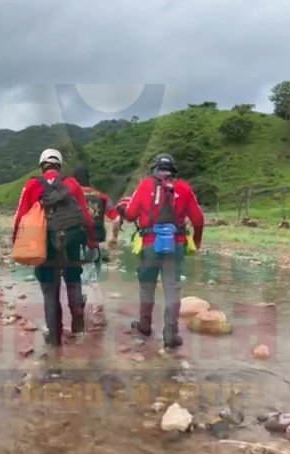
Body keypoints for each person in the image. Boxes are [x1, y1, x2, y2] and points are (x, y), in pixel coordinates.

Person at [117, 153, 204, 350]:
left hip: (149, 243)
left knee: (147, 285)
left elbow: (130, 215)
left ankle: (145, 325)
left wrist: (125, 210)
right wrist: (197, 240)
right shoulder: (183, 188)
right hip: (176, 244)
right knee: (172, 288)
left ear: (154, 169)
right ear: (173, 170)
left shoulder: (145, 185)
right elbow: (198, 220)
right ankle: (170, 335)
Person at [12, 149, 98, 347]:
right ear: (59, 165)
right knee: (73, 282)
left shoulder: (32, 185)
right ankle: (77, 330)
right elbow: (86, 216)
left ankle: (54, 338)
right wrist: (92, 242)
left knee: (50, 291)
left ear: (43, 165)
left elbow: (19, 218)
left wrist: (16, 243)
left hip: (44, 244)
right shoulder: (72, 184)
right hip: (72, 242)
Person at [72, 166, 119, 326]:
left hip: (76, 242)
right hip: (97, 243)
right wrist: (114, 237)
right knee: (93, 279)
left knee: (80, 279)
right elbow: (117, 219)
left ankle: (85, 314)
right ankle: (94, 314)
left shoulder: (72, 195)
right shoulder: (103, 196)